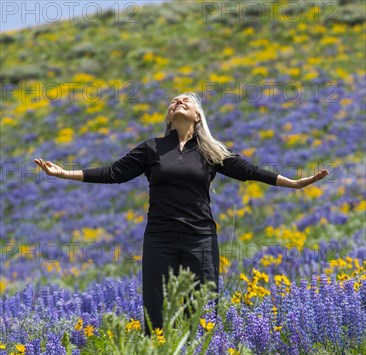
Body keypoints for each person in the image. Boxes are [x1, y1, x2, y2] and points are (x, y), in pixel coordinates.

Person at [34, 91, 329, 337]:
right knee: (156, 312)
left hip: (199, 239)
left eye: (186, 101)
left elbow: (249, 171)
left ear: (197, 116)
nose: (178, 102)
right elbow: (113, 173)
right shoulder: (152, 148)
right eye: (174, 101)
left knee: (202, 312)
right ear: (168, 117)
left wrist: (293, 183)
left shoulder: (210, 151)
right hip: (159, 240)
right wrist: (63, 173)